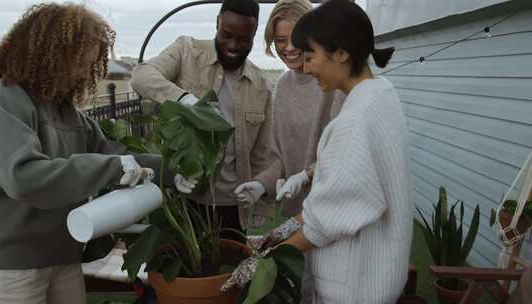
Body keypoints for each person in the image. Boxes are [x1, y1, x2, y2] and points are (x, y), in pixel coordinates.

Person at [0, 4, 190, 304]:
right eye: (79, 63)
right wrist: (111, 168)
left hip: (63, 257)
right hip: (10, 268)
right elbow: (25, 177)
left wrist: (173, 172)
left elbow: (115, 154)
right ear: (50, 53)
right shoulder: (2, 100)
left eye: (91, 63)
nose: (85, 72)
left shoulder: (67, 113)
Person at [222, 1, 413, 303]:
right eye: (280, 42)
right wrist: (275, 188)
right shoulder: (381, 96)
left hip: (354, 283)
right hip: (365, 270)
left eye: (310, 56)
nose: (306, 66)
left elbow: (324, 220)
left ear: (341, 53)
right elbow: (340, 179)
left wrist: (261, 261)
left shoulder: (355, 120)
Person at [131, 0, 272, 240]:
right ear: (217, 22)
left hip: (232, 205)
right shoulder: (186, 51)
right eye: (226, 35)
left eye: (243, 39)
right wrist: (184, 100)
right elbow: (141, 75)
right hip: (183, 197)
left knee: (227, 272)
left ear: (254, 33)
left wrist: (261, 203)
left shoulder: (260, 86)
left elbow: (260, 153)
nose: (233, 46)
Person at [233, 0, 344, 225]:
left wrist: (305, 176)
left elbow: (345, 152)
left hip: (333, 209)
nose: (289, 47)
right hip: (296, 214)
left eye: (296, 38)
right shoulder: (283, 86)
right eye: (281, 40)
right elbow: (278, 158)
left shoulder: (335, 82)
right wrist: (261, 184)